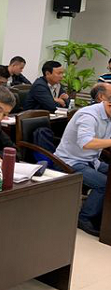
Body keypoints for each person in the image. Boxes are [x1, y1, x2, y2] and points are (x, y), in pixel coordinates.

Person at [55, 100, 111, 237]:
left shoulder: (108, 116)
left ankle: (102, 214)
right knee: (104, 184)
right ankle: (84, 218)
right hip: (70, 161)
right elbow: (86, 142)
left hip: (92, 160)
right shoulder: (89, 115)